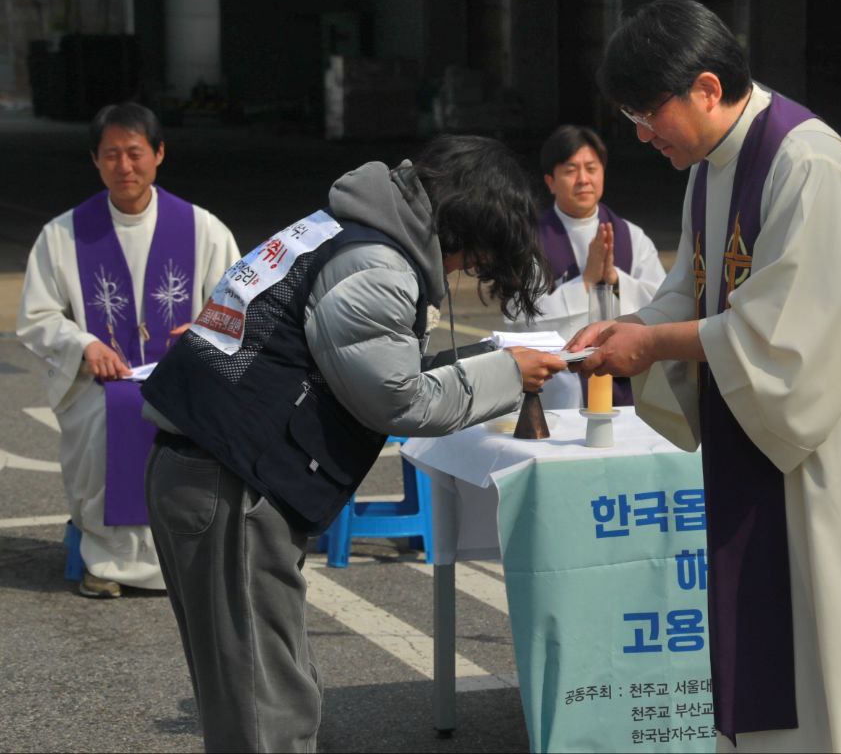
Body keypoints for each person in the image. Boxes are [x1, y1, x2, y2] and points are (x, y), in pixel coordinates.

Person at [570, 0, 841, 752]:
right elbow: (693, 288)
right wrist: (634, 327)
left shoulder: (808, 163)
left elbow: (790, 341)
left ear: (706, 88)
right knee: (791, 652)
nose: (639, 133)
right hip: (774, 441)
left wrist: (655, 347)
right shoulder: (708, 169)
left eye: (646, 111)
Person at [140, 135, 566, 752]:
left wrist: (486, 361)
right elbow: (396, 398)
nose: (463, 272)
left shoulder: (338, 226)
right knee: (267, 711)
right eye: (472, 257)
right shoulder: (377, 264)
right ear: (462, 227)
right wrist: (509, 375)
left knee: (260, 690)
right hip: (230, 483)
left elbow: (367, 361)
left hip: (208, 470)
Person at [16, 102, 239, 599]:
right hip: (102, 382)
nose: (125, 167)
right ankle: (107, 560)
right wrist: (84, 342)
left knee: (190, 431)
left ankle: (186, 558)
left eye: (135, 153)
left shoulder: (202, 229)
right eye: (111, 154)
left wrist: (202, 334)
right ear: (95, 160)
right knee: (103, 422)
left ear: (159, 154)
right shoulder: (64, 235)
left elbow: (240, 305)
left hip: (183, 381)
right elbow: (36, 317)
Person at [505, 124, 666, 408]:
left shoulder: (632, 237)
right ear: (550, 181)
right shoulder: (529, 243)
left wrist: (615, 280)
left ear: (603, 172)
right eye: (570, 170)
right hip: (562, 392)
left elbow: (664, 307)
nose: (583, 179)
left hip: (630, 383)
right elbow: (519, 324)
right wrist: (587, 282)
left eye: (591, 168)